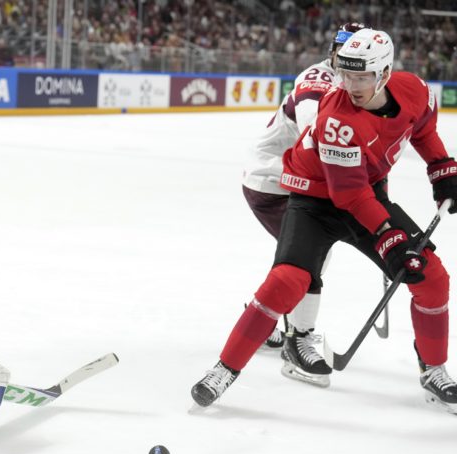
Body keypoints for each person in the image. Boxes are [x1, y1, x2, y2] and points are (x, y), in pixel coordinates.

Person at [191, 28, 457, 413]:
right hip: (316, 202)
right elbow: (348, 194)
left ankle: (434, 369)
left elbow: (422, 126)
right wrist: (389, 236)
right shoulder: (337, 119)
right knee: (287, 281)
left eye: (361, 76)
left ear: (384, 73)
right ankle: (224, 369)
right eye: (346, 74)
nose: (350, 84)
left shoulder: (414, 88)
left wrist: (441, 167)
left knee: (433, 279)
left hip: (366, 194)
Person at [241, 23, 367, 387]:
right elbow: (322, 142)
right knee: (308, 255)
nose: (348, 61)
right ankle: (297, 343)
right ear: (334, 52)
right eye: (343, 53)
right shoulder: (317, 83)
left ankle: (269, 324)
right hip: (273, 180)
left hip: (296, 177)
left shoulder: (352, 85)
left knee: (303, 257)